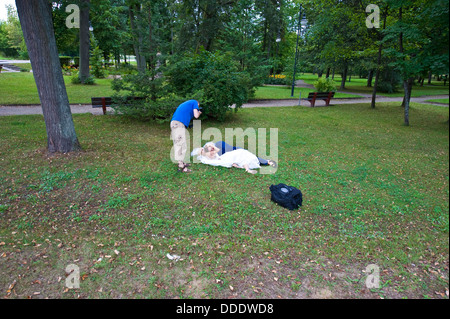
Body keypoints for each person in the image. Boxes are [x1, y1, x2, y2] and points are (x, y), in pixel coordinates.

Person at [170, 100, 202, 173]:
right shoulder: (194, 102)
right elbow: (196, 115)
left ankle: (181, 162)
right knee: (181, 145)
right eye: (198, 106)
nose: (197, 107)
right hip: (178, 124)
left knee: (180, 144)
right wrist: (199, 112)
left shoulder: (187, 104)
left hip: (176, 123)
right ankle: (182, 166)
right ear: (198, 103)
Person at [192, 142, 261, 174]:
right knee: (238, 155)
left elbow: (216, 151)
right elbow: (216, 153)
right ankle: (247, 169)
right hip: (223, 159)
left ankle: (247, 169)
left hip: (223, 157)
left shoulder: (209, 152)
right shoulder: (208, 156)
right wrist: (211, 149)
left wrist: (210, 147)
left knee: (239, 155)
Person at [202, 141, 277, 168]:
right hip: (228, 154)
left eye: (211, 147)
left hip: (231, 150)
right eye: (210, 149)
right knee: (243, 155)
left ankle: (266, 161)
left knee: (244, 153)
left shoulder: (217, 145)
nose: (212, 149)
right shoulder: (209, 155)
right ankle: (266, 161)